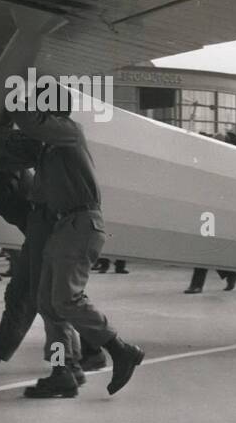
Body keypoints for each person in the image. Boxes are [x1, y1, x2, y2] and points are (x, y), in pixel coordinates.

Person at [0, 126, 106, 387]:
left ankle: (75, 360)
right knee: (32, 298)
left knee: (39, 300)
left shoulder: (3, 168)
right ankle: (86, 353)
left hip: (45, 234)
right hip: (36, 236)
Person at [10, 105, 144, 398]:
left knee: (66, 300)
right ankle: (64, 371)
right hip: (65, 226)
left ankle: (120, 350)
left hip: (81, 223)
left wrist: (10, 94)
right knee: (47, 303)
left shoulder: (68, 131)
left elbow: (29, 122)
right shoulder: (52, 148)